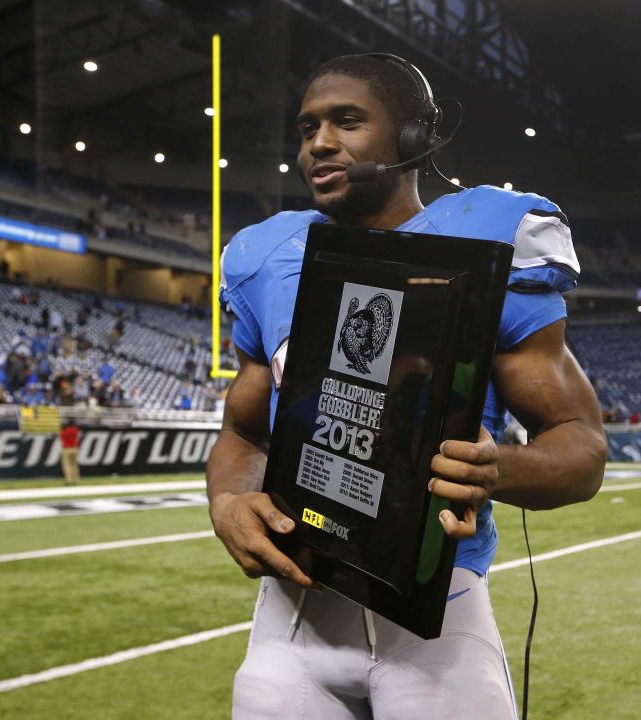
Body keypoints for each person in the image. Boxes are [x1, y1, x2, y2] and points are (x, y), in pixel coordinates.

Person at [206, 54, 607, 719]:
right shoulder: (266, 258)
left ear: (416, 137)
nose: (320, 144)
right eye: (308, 128)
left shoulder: (489, 238)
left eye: (347, 121)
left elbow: (582, 445)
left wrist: (499, 468)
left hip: (436, 623)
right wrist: (228, 500)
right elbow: (243, 432)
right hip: (294, 619)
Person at [59, 419, 80, 486]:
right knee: (74, 465)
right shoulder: (75, 430)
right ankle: (75, 480)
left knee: (67, 465)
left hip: (66, 449)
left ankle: (69, 480)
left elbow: (61, 437)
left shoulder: (64, 432)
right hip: (75, 448)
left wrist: (62, 429)